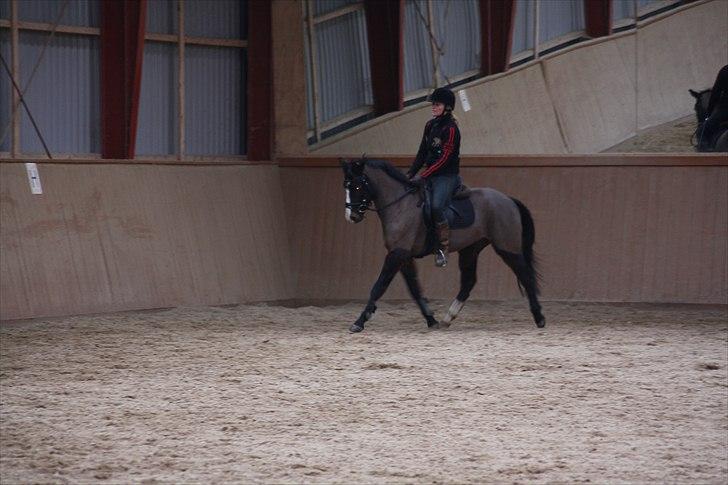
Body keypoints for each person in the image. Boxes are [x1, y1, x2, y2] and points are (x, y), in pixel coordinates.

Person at [407, 87, 461, 268]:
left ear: (447, 107)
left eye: (437, 104)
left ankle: (442, 248)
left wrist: (425, 175)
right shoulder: (430, 125)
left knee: (437, 206)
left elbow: (445, 158)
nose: (433, 107)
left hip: (446, 176)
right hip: (429, 173)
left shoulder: (451, 129)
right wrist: (411, 173)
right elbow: (422, 152)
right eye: (433, 104)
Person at [699, 64, 728, 151]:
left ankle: (706, 152)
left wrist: (709, 111)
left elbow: (716, 93)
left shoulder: (725, 70)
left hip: (725, 110)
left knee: (701, 131)